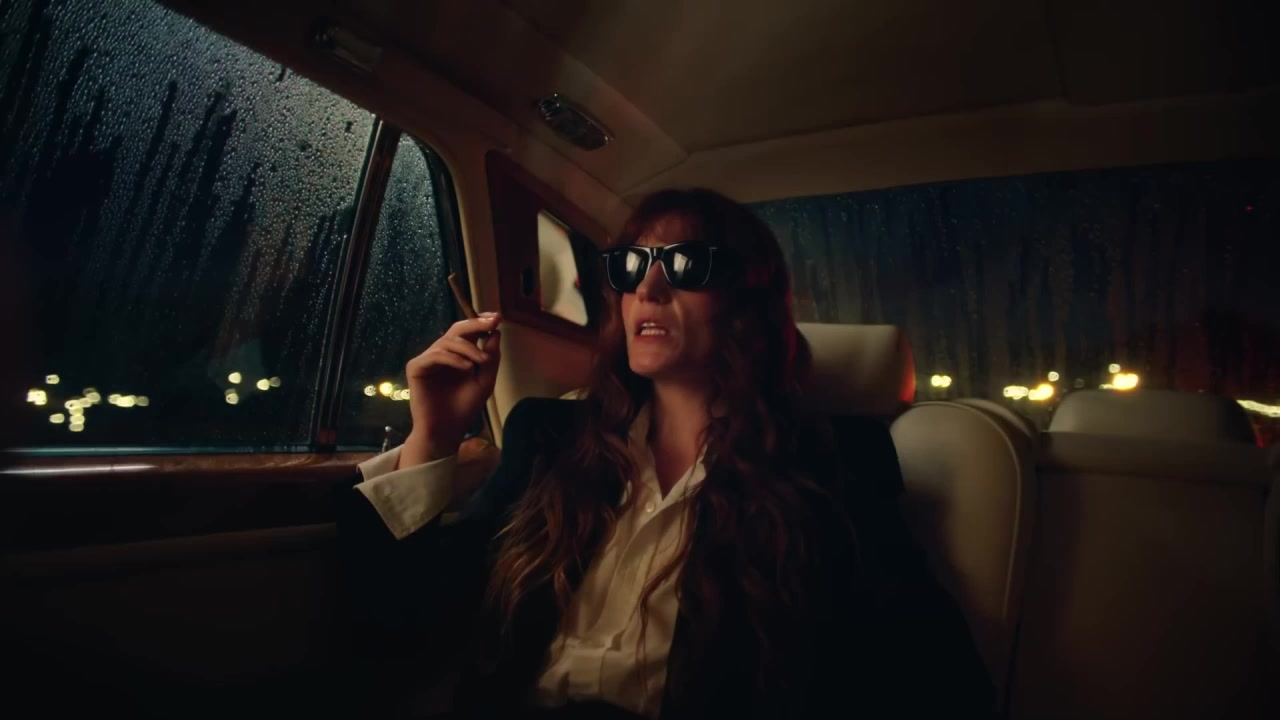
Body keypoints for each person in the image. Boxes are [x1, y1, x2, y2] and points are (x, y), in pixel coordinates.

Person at [336, 189, 992, 718]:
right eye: (630, 266)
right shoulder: (547, 437)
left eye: (685, 264)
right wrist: (434, 436)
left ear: (748, 297)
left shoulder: (834, 460)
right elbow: (401, 629)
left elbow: (933, 679)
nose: (648, 289)